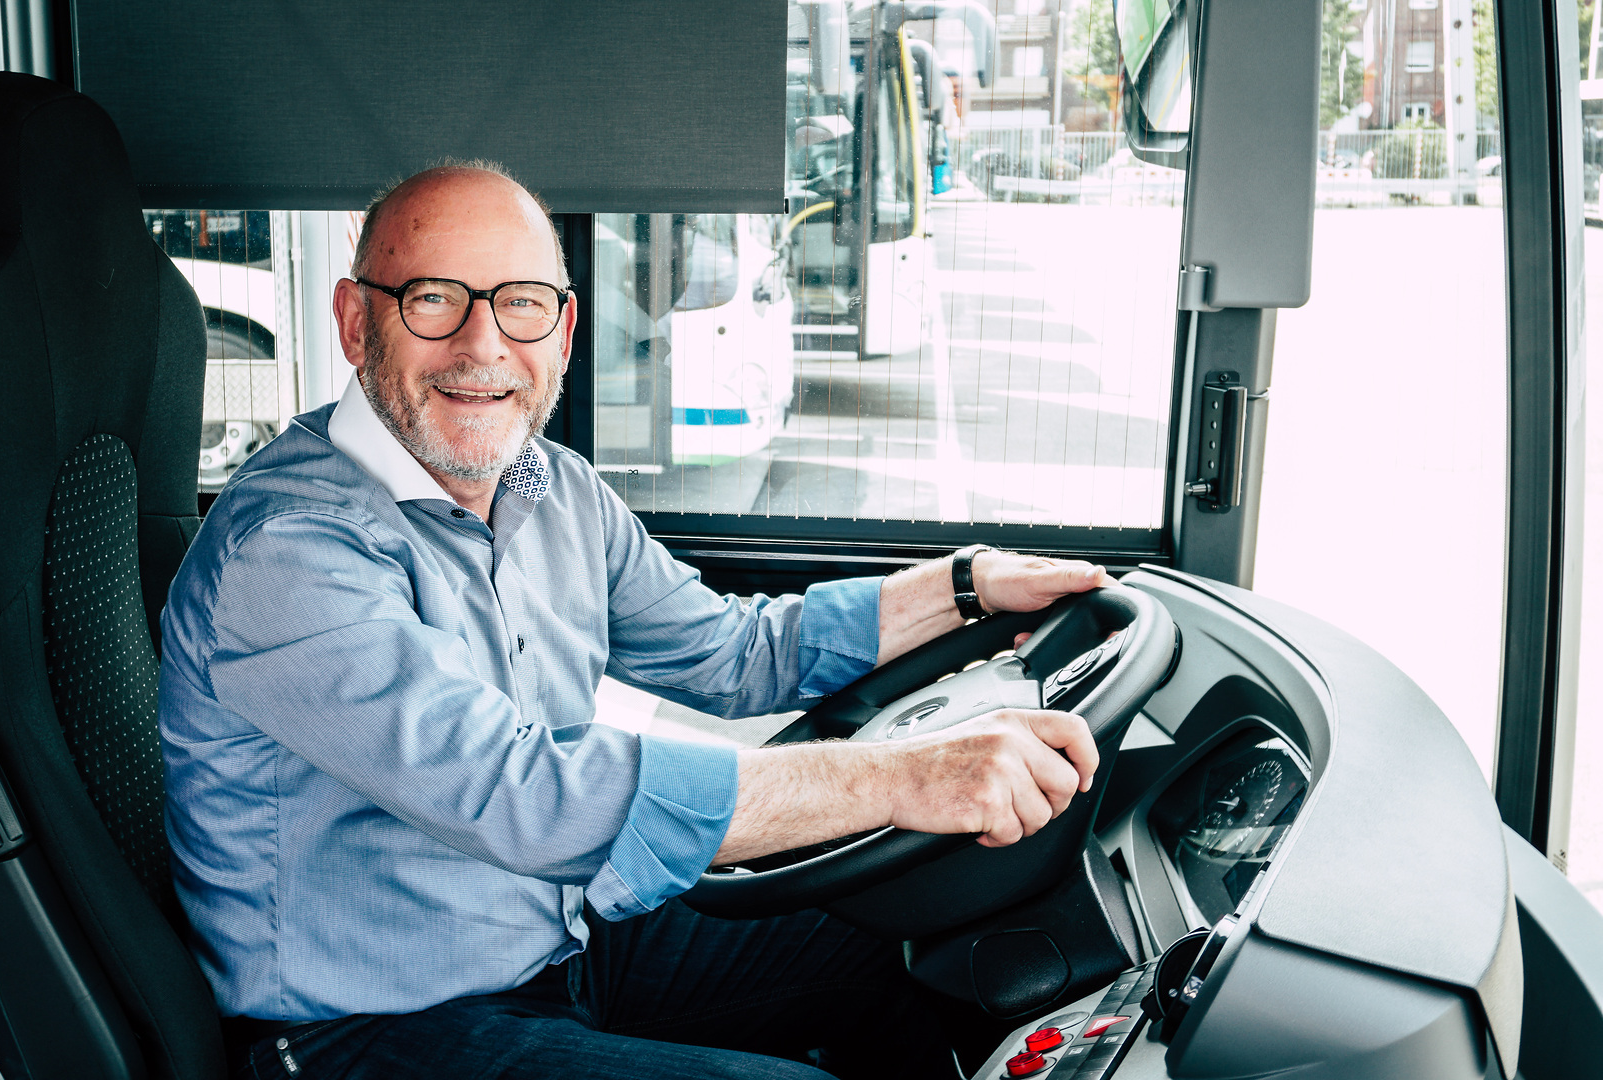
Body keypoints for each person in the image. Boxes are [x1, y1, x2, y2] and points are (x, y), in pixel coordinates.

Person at [158, 162, 1112, 1080]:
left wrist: (964, 587)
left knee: (883, 955)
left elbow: (733, 655)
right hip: (358, 1034)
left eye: (520, 302)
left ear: (564, 330)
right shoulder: (287, 552)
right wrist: (900, 777)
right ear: (357, 323)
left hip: (556, 943)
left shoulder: (553, 487)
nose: (483, 346)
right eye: (434, 299)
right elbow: (525, 792)